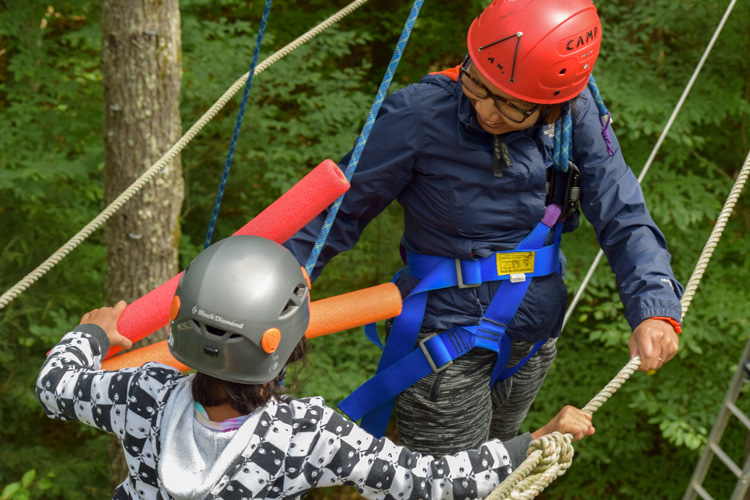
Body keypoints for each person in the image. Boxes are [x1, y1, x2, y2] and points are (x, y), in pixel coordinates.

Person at [283, 0, 683, 457]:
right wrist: (286, 273)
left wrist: (654, 305)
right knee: (448, 485)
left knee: (499, 472)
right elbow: (341, 208)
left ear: (554, 105)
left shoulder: (575, 113)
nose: (488, 111)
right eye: (478, 84)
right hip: (446, 343)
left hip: (532, 339)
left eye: (513, 108)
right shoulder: (420, 115)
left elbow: (621, 209)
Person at [37, 235, 594, 500]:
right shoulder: (302, 433)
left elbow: (54, 385)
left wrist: (93, 334)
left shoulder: (142, 392)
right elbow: (426, 483)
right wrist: (531, 442)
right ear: (289, 347)